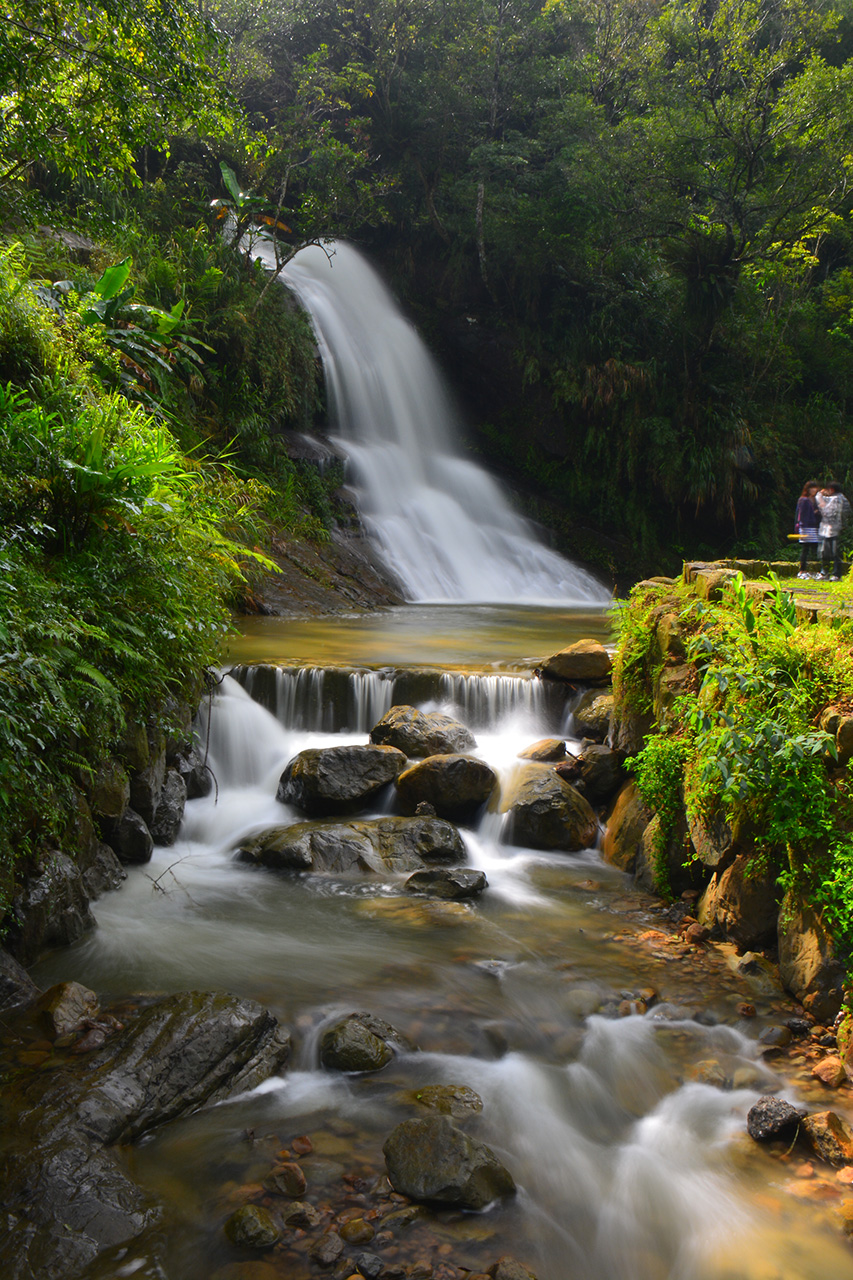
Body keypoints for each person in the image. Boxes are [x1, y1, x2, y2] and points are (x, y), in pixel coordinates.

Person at [815, 480, 852, 580]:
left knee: (831, 552)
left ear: (831, 489)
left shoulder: (837, 498)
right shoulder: (840, 498)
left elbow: (827, 509)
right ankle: (828, 572)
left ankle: (833, 573)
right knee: (827, 551)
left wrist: (819, 495)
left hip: (832, 529)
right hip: (831, 529)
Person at [795, 481, 821, 578]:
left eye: (815, 488)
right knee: (805, 549)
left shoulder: (815, 499)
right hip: (806, 527)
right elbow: (801, 515)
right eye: (812, 488)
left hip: (814, 527)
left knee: (815, 549)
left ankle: (816, 570)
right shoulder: (803, 500)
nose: (814, 490)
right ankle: (802, 570)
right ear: (807, 489)